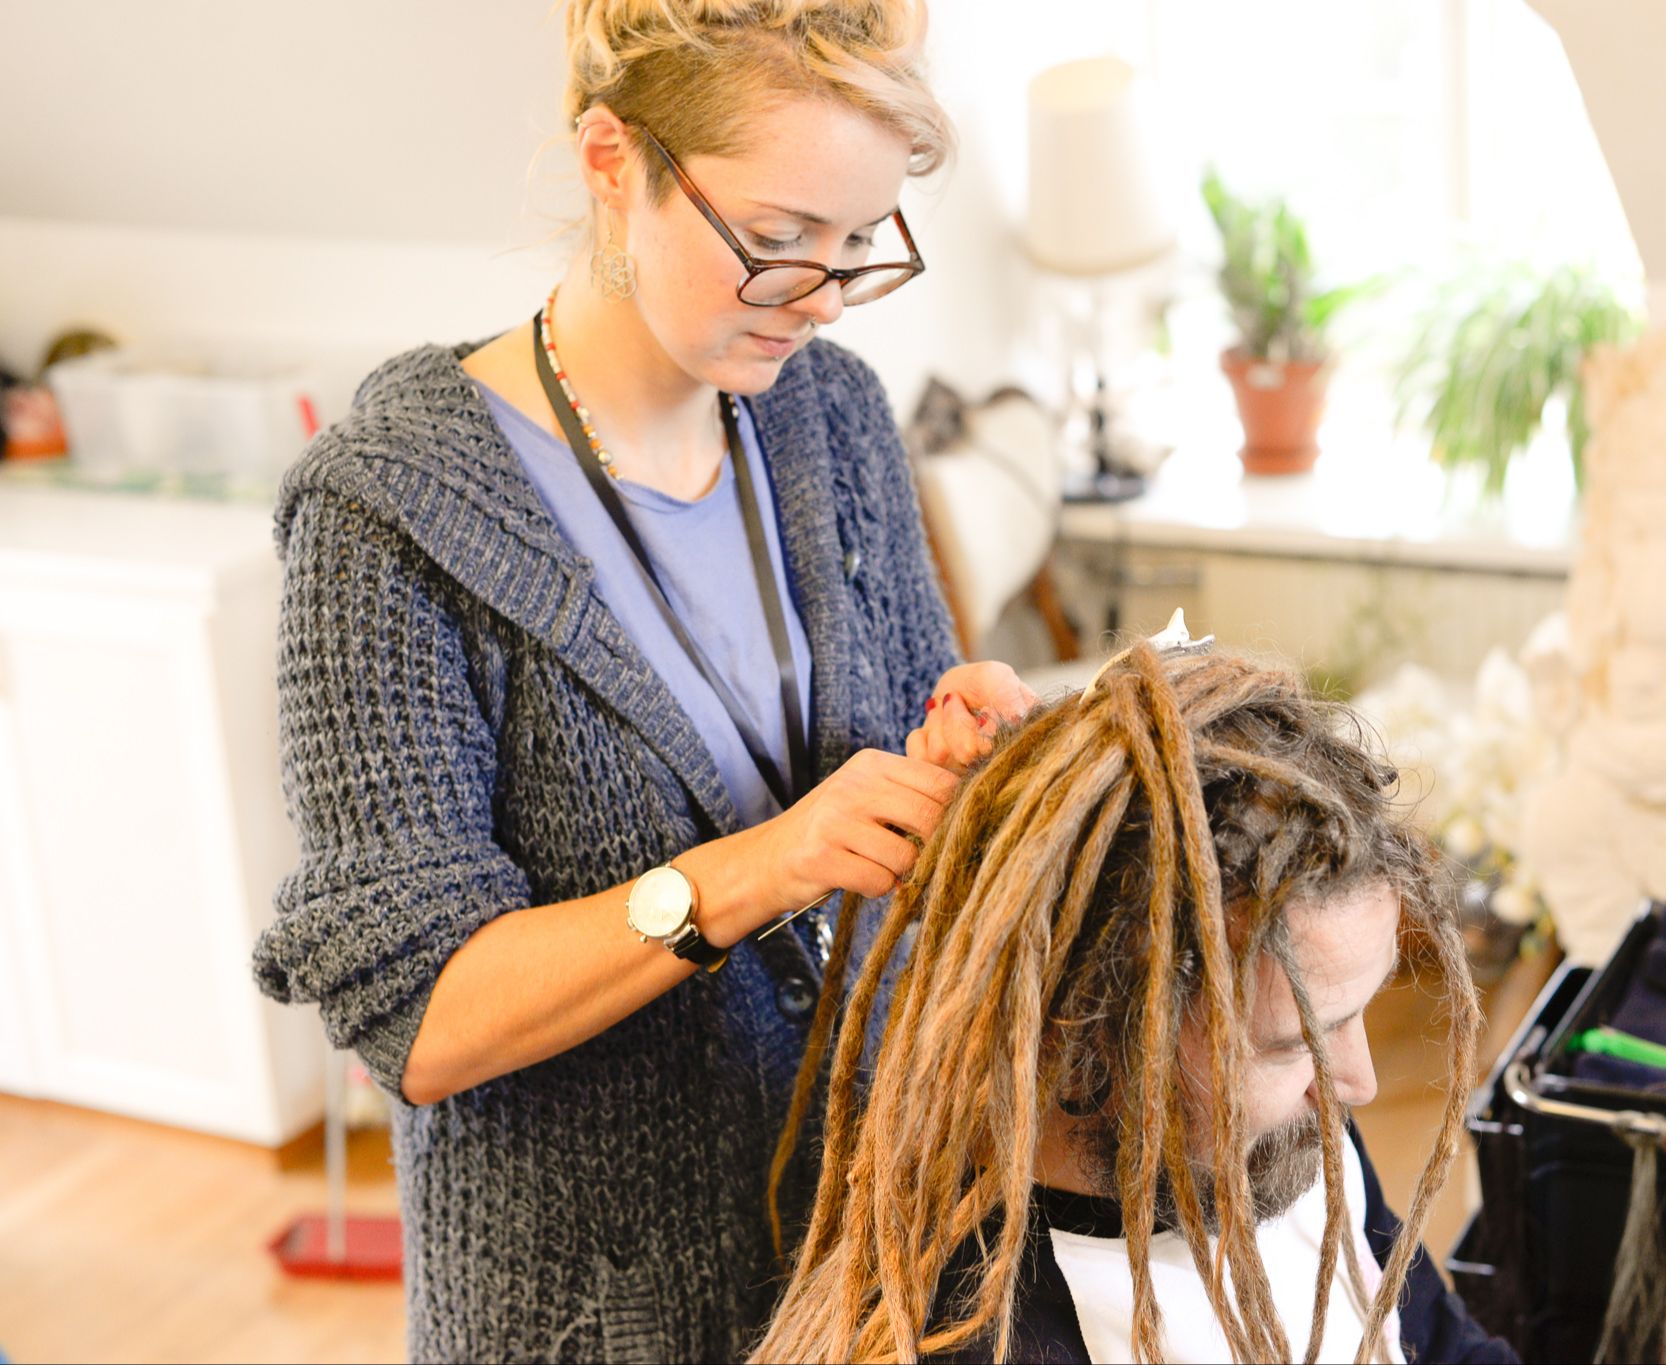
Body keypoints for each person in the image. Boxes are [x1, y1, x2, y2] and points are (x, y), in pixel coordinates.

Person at [250, 2, 1032, 1358]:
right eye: (777, 239)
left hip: (877, 1255)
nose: (821, 297)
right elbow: (421, 1019)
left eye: (859, 243)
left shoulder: (833, 414)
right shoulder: (388, 513)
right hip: (601, 1314)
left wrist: (960, 753)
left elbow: (906, 764)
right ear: (613, 160)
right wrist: (761, 867)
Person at [753, 647, 1519, 1363]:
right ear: (1089, 1030)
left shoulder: (1285, 1141)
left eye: (1354, 1015)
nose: (1358, 1083)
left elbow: (1441, 1342)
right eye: (1295, 1044)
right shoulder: (984, 1334)